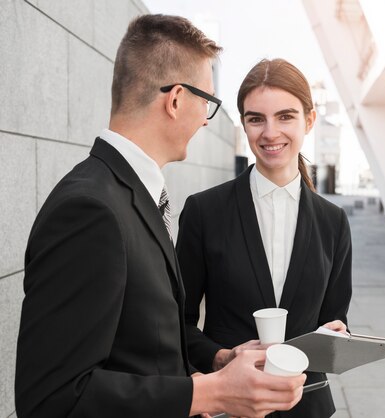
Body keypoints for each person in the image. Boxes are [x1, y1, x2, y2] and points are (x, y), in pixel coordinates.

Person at [15, 16, 305, 418]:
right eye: (208, 103)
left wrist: (215, 369)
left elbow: (142, 351)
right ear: (176, 100)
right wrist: (210, 395)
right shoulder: (90, 211)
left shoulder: (125, 194)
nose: (206, 119)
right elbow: (52, 400)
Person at [176, 58, 353, 417]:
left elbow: (336, 320)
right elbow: (175, 322)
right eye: (256, 119)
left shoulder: (333, 221)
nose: (270, 133)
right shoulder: (203, 211)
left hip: (309, 406)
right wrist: (220, 357)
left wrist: (340, 336)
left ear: (310, 120)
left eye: (285, 116)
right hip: (229, 407)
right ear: (244, 124)